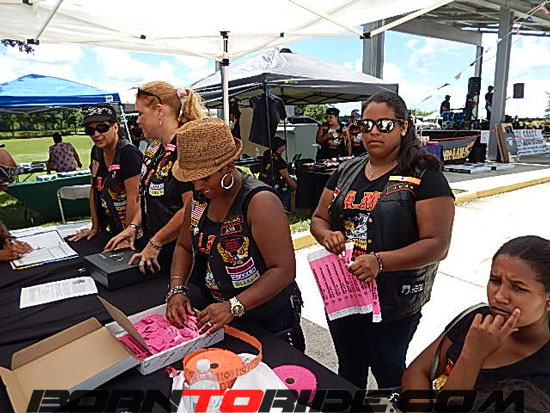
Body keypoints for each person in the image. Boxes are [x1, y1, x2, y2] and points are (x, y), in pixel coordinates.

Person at [310, 91, 455, 389]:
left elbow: (437, 244)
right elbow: (318, 219)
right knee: (349, 367)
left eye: (385, 125)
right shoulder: (346, 171)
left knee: (387, 369)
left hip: (394, 300)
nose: (374, 132)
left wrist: (380, 261)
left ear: (403, 127)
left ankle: (390, 407)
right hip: (346, 293)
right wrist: (328, 235)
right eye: (365, 125)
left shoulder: (424, 176)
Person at [166, 117, 305, 350]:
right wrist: (177, 288)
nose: (198, 186)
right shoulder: (198, 200)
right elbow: (183, 247)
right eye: (192, 179)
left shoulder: (260, 202)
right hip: (219, 315)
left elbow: (283, 270)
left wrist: (234, 305)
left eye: (205, 177)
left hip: (266, 320)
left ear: (228, 167)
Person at [402, 235, 550, 396]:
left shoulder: (542, 373)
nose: (499, 296)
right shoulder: (478, 319)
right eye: (495, 280)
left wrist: (472, 356)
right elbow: (418, 371)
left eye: (518, 288)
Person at [105, 81, 204, 273]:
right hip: (157, 252)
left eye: (141, 114)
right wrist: (133, 226)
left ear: (159, 111)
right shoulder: (155, 148)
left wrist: (156, 242)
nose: (137, 121)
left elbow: (191, 207)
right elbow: (147, 197)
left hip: (183, 257)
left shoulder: (186, 148)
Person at [69, 104, 142, 241]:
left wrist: (127, 237)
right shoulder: (96, 152)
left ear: (115, 127)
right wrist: (95, 228)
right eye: (90, 131)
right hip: (113, 226)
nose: (96, 135)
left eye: (102, 128)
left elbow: (135, 198)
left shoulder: (129, 153)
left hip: (136, 232)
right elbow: (95, 188)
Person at [258, 137, 297, 211]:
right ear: (279, 147)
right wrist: (296, 186)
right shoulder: (280, 162)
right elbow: (286, 177)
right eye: (283, 145)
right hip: (274, 183)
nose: (285, 147)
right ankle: (285, 205)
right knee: (291, 186)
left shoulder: (267, 154)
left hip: (262, 180)